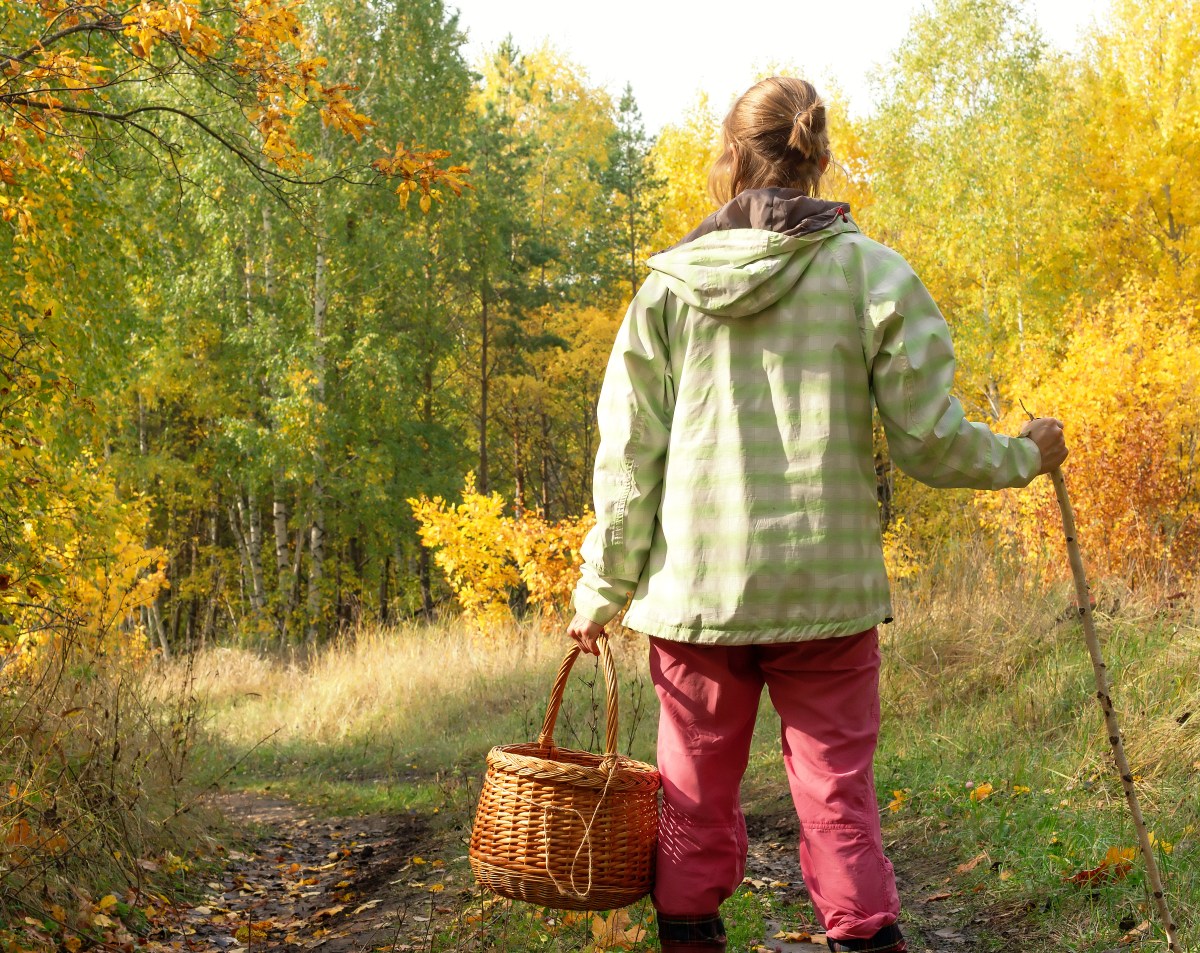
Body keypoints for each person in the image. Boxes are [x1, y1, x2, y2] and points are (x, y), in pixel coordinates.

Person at [566, 76, 1068, 953]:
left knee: (688, 798)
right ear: (819, 158)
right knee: (837, 793)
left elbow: (628, 461)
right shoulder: (870, 273)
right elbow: (931, 442)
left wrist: (600, 591)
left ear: (729, 159)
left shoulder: (667, 293)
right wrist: (1024, 454)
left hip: (696, 596)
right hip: (825, 589)